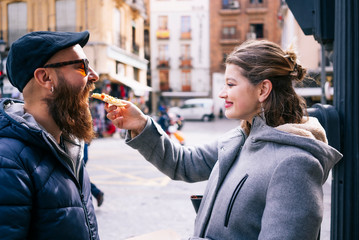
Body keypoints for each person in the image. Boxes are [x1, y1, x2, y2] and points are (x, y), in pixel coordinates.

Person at [105, 40, 343, 239]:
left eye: (230, 84)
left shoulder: (295, 164)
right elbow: (183, 164)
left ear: (263, 90)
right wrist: (141, 125)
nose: (222, 93)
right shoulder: (240, 138)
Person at [0, 31, 100, 239]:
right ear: (45, 78)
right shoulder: (7, 162)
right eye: (82, 66)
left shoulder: (69, 147)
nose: (94, 75)